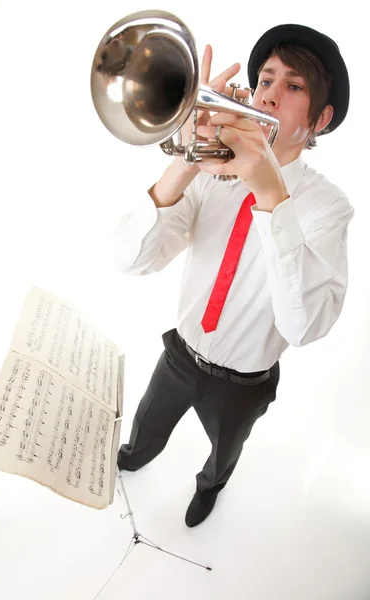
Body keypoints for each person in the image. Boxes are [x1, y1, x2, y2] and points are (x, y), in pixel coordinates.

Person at [112, 24, 354, 527]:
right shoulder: (211, 172)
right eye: (265, 81)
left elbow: (304, 328)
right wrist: (184, 161)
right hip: (180, 354)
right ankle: (137, 455)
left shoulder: (329, 208)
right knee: (147, 422)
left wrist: (269, 191)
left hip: (244, 383)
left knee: (225, 451)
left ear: (320, 119)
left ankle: (210, 487)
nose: (269, 96)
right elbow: (133, 260)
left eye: (294, 86)